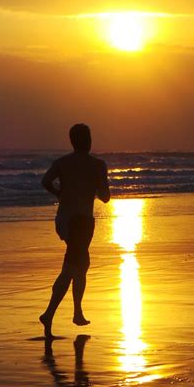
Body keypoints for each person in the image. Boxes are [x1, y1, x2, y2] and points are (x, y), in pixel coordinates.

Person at [39, 123, 110, 338]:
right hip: (81, 222)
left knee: (80, 265)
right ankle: (50, 313)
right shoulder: (97, 164)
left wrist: (60, 194)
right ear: (88, 140)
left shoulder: (62, 163)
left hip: (66, 220)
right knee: (72, 268)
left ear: (72, 141)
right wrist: (94, 186)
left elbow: (45, 181)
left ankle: (76, 312)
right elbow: (106, 197)